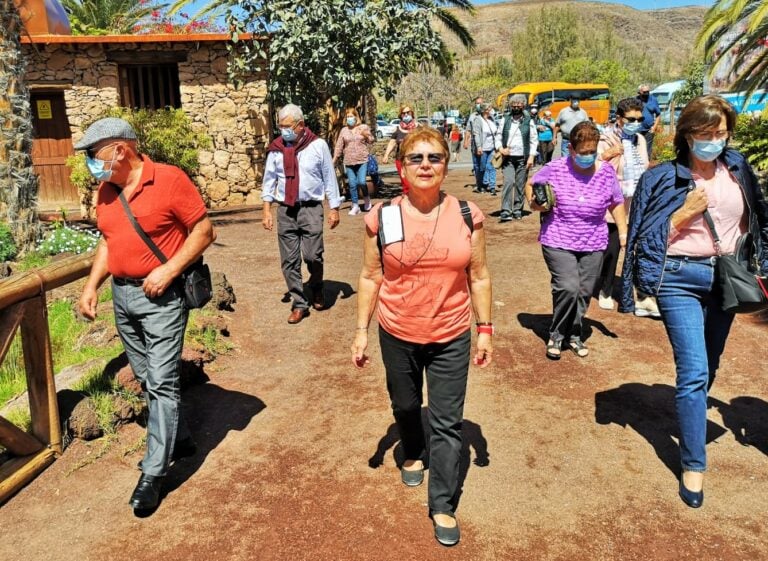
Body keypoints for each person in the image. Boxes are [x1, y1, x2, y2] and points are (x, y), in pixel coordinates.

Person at [619, 95, 768, 508]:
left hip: (725, 277)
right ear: (688, 134)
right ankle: (694, 465)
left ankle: (690, 408)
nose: (715, 141)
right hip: (679, 278)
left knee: (710, 364)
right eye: (706, 134)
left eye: (721, 133)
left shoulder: (737, 168)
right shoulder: (662, 178)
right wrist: (681, 215)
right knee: (694, 369)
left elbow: (757, 218)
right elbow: (641, 241)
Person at [351, 127, 493, 547]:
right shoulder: (384, 216)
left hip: (451, 332)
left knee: (449, 423)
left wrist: (484, 329)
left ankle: (443, 504)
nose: (426, 165)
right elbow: (369, 276)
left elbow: (479, 276)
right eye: (417, 158)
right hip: (397, 331)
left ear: (446, 165)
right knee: (406, 404)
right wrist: (361, 331)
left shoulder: (468, 215)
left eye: (435, 158)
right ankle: (413, 448)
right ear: (402, 166)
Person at [76, 117, 216, 510]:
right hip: (123, 298)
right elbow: (108, 241)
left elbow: (204, 232)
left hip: (162, 298)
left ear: (120, 150)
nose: (90, 162)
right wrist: (91, 287)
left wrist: (169, 268)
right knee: (145, 375)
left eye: (94, 154)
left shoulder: (170, 179)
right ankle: (182, 439)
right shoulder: (107, 191)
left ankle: (154, 473)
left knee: (162, 382)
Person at [525, 121, 626, 360]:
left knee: (583, 290)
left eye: (592, 151)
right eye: (583, 152)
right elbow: (531, 185)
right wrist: (535, 204)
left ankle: (575, 332)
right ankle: (557, 335)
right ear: (571, 149)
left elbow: (616, 202)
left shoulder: (605, 171)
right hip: (559, 237)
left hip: (593, 240)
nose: (588, 156)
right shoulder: (556, 168)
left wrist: (622, 231)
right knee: (568, 287)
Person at [261, 104, 342, 324]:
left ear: (300, 125)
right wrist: (267, 210)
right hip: (286, 209)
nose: (283, 130)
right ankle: (299, 303)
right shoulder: (277, 149)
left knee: (312, 255)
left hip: (311, 208)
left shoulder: (317, 145)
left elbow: (328, 176)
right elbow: (269, 180)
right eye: (280, 126)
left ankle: (316, 286)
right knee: (289, 260)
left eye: (287, 126)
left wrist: (334, 207)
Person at [596, 97, 658, 317]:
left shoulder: (640, 139)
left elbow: (644, 163)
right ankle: (605, 290)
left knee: (636, 248)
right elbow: (596, 165)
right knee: (612, 249)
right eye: (631, 118)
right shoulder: (605, 138)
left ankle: (640, 293)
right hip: (613, 203)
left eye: (639, 118)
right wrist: (608, 155)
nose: (636, 122)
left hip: (637, 202)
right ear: (620, 119)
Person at [498, 94, 538, 222]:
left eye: (519, 104)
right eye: (513, 104)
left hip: (523, 158)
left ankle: (517, 209)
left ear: (523, 105)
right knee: (509, 182)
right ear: (510, 105)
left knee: (520, 184)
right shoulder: (505, 119)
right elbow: (498, 136)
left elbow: (533, 140)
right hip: (507, 158)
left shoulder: (529, 121)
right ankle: (505, 210)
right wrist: (500, 148)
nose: (516, 106)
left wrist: (531, 156)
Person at [333, 107, 375, 215]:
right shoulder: (344, 130)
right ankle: (355, 205)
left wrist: (366, 135)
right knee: (352, 184)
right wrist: (334, 159)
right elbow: (339, 146)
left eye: (351, 116)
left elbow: (371, 141)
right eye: (348, 117)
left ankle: (366, 199)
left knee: (361, 182)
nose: (349, 119)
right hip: (349, 161)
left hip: (362, 160)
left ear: (356, 117)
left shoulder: (363, 127)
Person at [382, 104, 418, 193]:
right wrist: (386, 155)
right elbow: (392, 142)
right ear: (400, 115)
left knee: (414, 181)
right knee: (404, 181)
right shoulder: (397, 129)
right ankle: (407, 198)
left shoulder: (419, 128)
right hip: (400, 159)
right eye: (403, 113)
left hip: (416, 159)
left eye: (408, 112)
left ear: (412, 113)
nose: (406, 115)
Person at [471, 103, 499, 194]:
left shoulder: (492, 119)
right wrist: (479, 146)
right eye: (489, 108)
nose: (491, 109)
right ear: (485, 110)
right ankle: (481, 185)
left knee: (491, 166)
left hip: (492, 148)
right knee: (482, 167)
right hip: (483, 148)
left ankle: (492, 186)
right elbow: (476, 134)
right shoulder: (478, 120)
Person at [637, 84, 661, 160]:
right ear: (640, 92)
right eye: (644, 92)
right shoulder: (635, 100)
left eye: (648, 91)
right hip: (637, 130)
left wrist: (654, 127)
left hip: (649, 130)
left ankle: (647, 167)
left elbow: (658, 114)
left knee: (647, 150)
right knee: (638, 149)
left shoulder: (653, 100)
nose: (646, 93)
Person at [464, 97, 484, 180]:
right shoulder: (472, 116)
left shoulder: (490, 114)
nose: (478, 105)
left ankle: (485, 182)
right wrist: (466, 141)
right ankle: (479, 182)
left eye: (480, 103)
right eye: (477, 103)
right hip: (474, 144)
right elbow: (468, 129)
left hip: (486, 143)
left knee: (485, 164)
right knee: (476, 164)